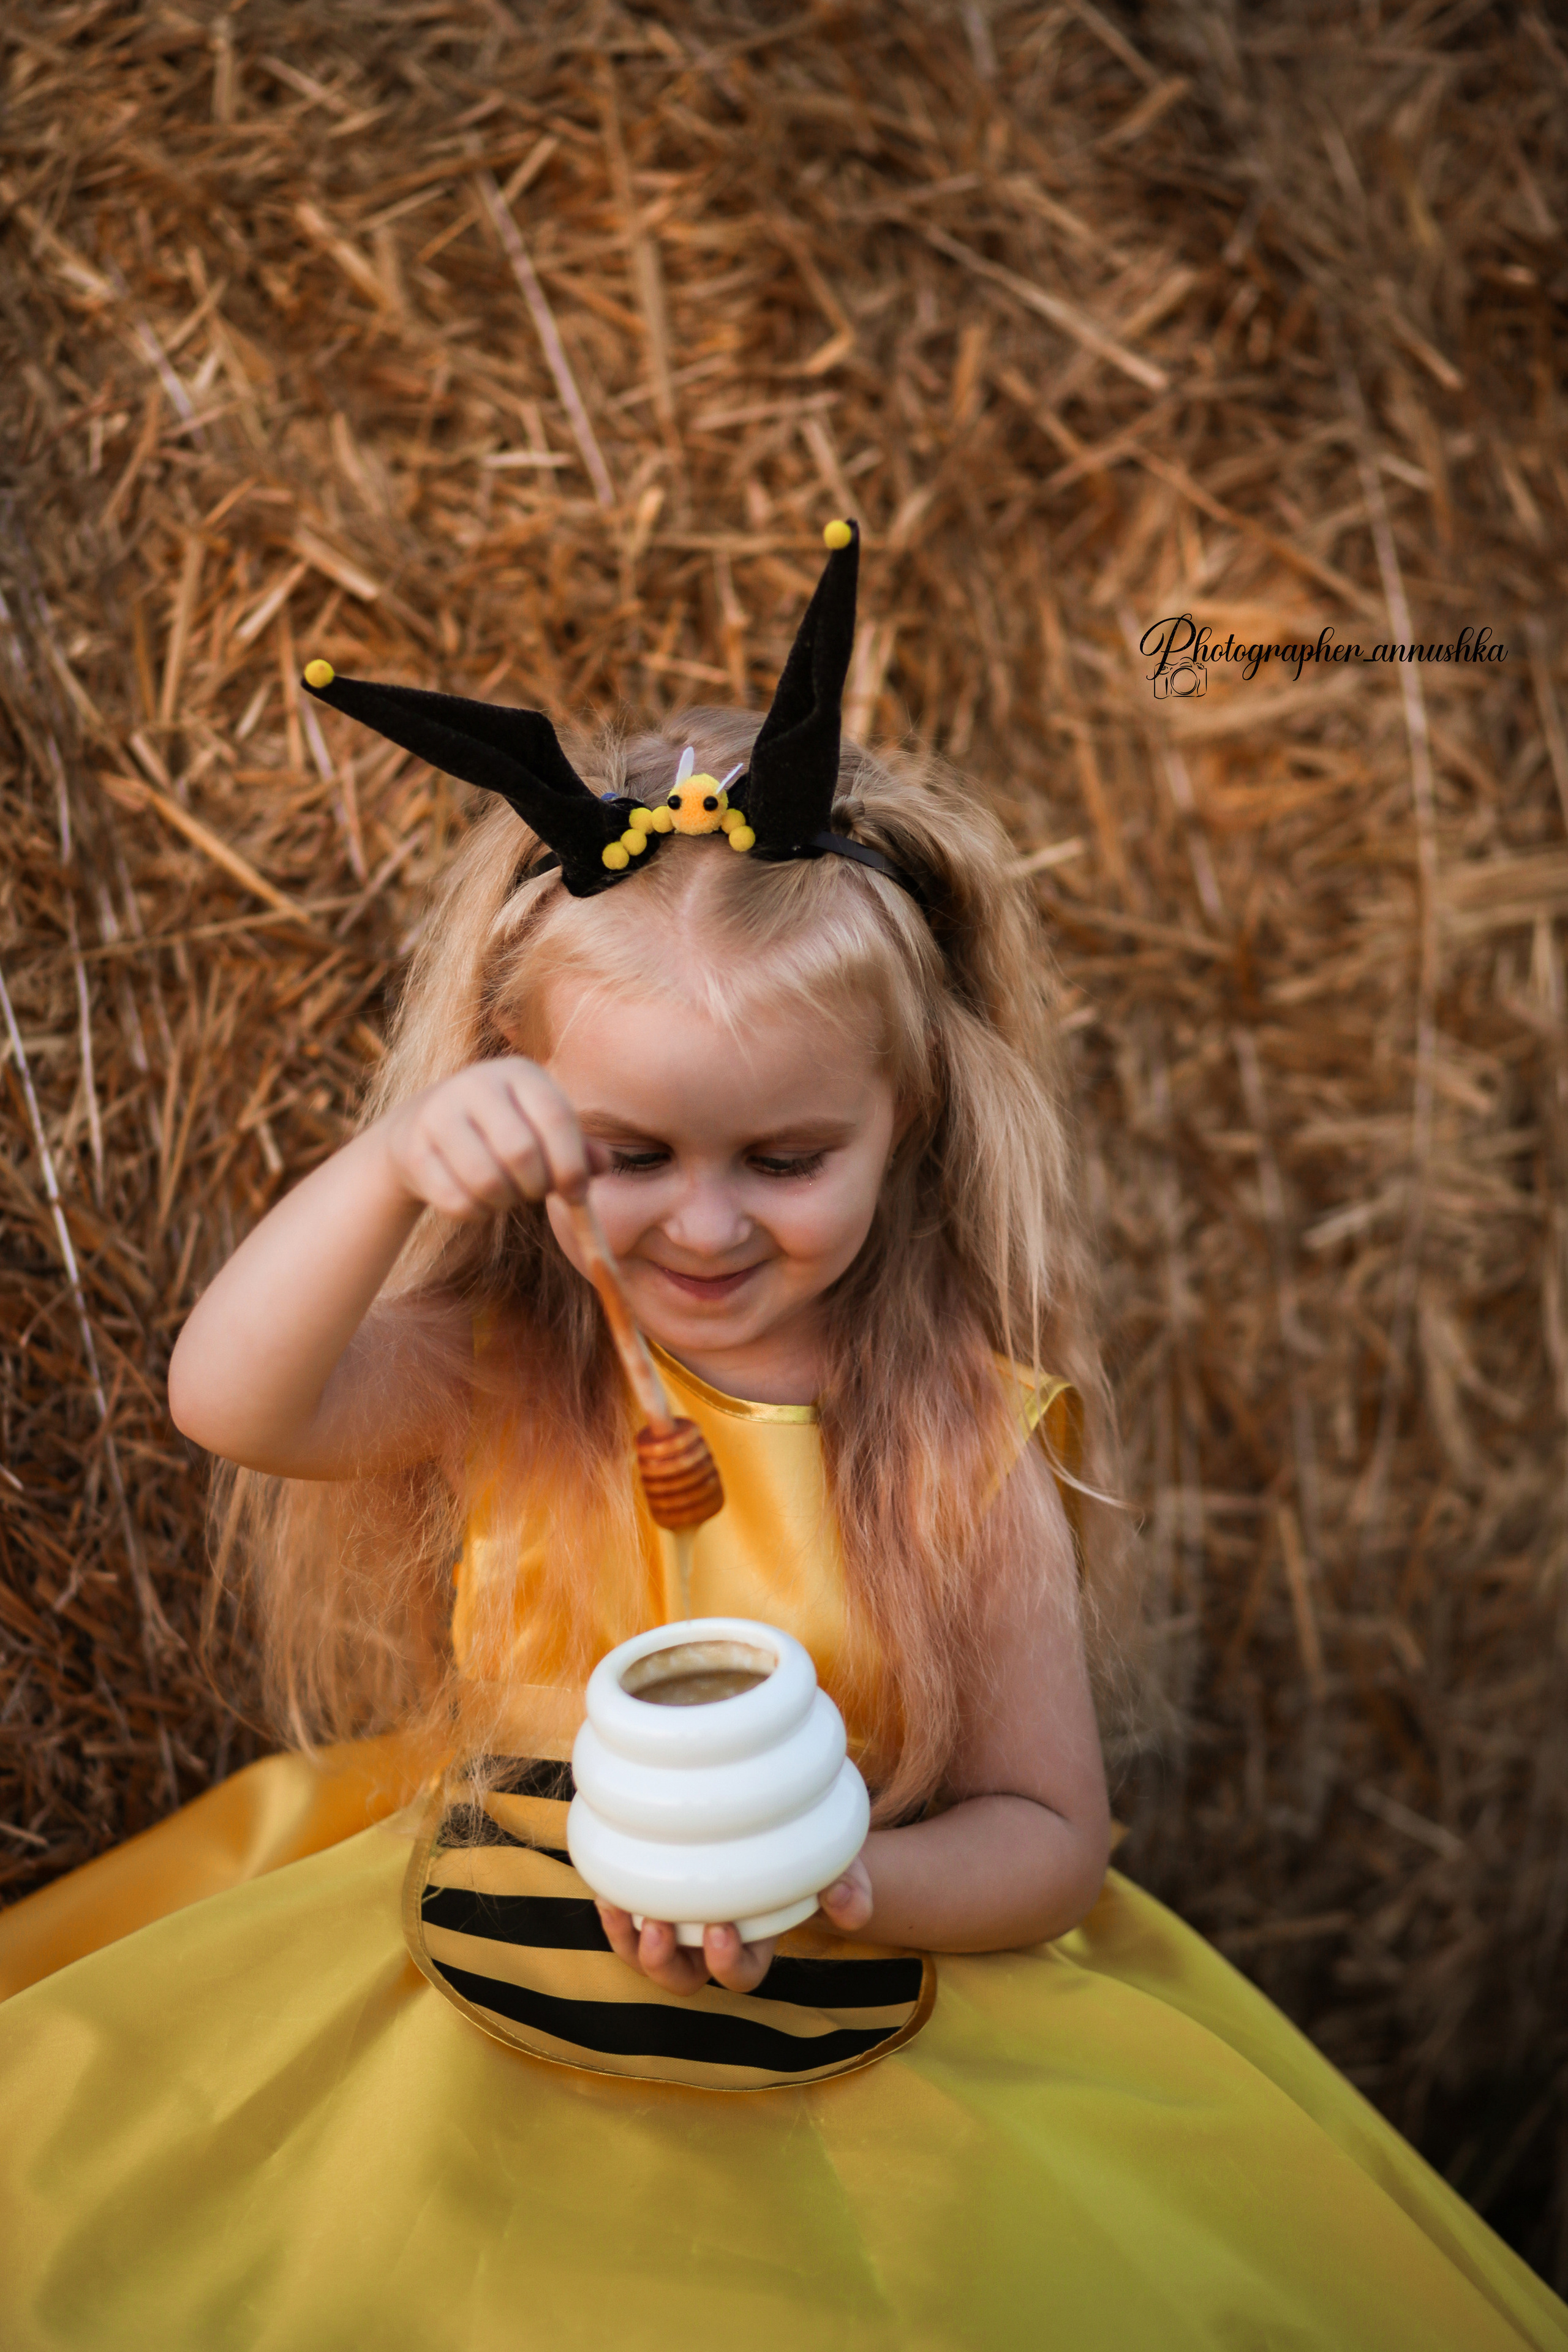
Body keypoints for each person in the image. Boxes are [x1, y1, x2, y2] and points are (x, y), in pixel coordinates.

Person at [0, 527, 1561, 2351]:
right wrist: (387, 1173)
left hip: (854, 2008)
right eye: (632, 1153)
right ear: (517, 1111)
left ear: (909, 1130)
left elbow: (1055, 1833)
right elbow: (229, 1403)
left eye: (786, 1160)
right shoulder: (522, 1362)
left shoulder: (960, 1439)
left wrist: (852, 1887)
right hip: (469, 1991)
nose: (706, 1227)